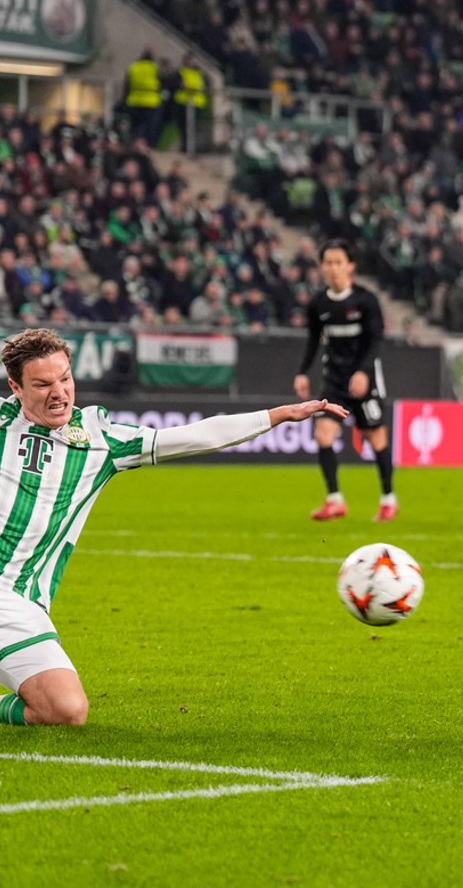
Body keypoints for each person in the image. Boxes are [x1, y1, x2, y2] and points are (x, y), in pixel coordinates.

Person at [0, 327, 347, 726]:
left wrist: (277, 415)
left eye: (64, 378)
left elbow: (194, 436)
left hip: (24, 602)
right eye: (43, 384)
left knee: (66, 710)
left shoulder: (100, 439)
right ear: (16, 387)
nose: (59, 392)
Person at [293, 239, 397, 521]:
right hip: (334, 379)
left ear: (350, 266)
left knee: (375, 438)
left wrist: (363, 372)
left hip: (365, 378)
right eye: (328, 263)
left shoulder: (366, 300)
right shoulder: (318, 303)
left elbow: (376, 341)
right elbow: (313, 340)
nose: (333, 268)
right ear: (322, 267)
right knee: (322, 435)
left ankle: (388, 498)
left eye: (339, 262)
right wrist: (302, 371)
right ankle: (334, 500)